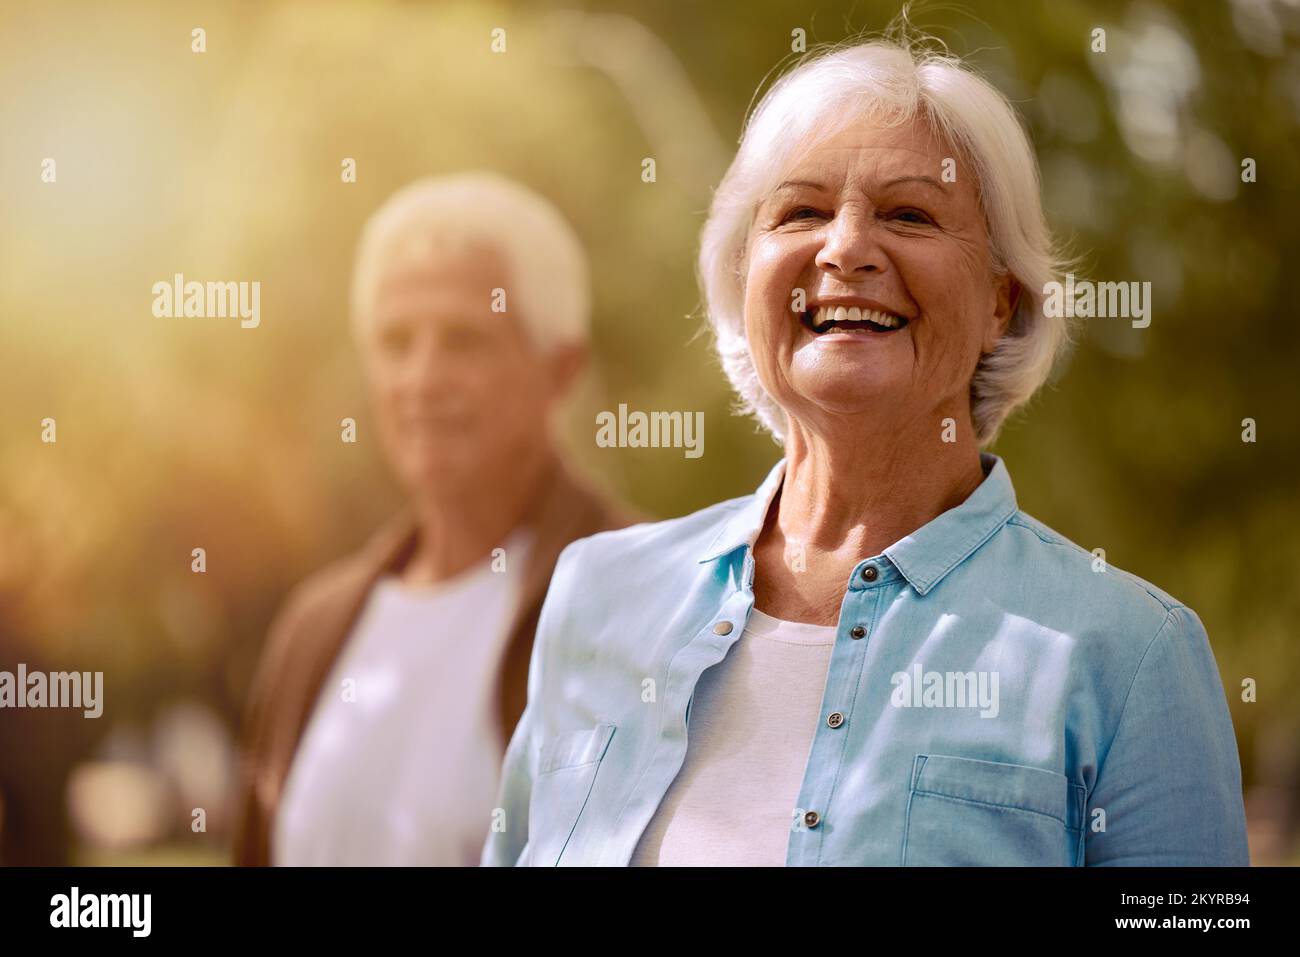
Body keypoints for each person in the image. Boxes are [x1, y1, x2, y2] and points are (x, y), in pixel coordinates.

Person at [482, 38, 1249, 866]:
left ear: (1002, 299)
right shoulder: (597, 595)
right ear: (746, 276)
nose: (845, 250)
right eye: (801, 212)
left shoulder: (1131, 655)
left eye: (909, 214)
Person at [234, 173, 639, 865]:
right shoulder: (314, 627)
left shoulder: (643, 598)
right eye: (396, 342)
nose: (422, 379)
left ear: (561, 368)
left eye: (464, 339)